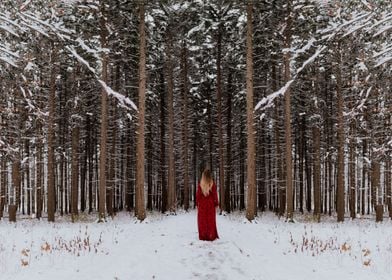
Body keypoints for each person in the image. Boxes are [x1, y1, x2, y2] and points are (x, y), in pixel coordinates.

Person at [196, 169, 219, 241]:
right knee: (210, 220)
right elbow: (215, 195)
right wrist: (216, 204)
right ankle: (211, 235)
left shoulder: (200, 185)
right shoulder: (212, 184)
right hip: (210, 204)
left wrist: (197, 204)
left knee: (202, 220)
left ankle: (203, 236)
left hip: (202, 204)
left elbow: (198, 195)